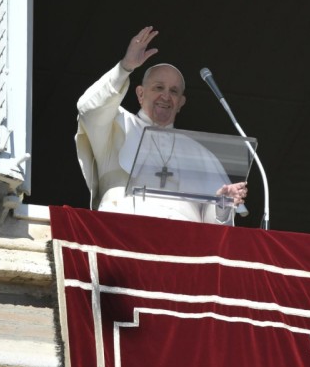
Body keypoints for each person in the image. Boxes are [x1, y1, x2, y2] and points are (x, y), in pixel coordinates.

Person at [75, 26, 247, 224]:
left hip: (183, 244)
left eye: (174, 91)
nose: (166, 96)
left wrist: (222, 205)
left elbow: (213, 226)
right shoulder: (116, 124)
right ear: (140, 93)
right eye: (158, 87)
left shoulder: (200, 153)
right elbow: (88, 109)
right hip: (123, 230)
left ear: (181, 103)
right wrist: (125, 67)